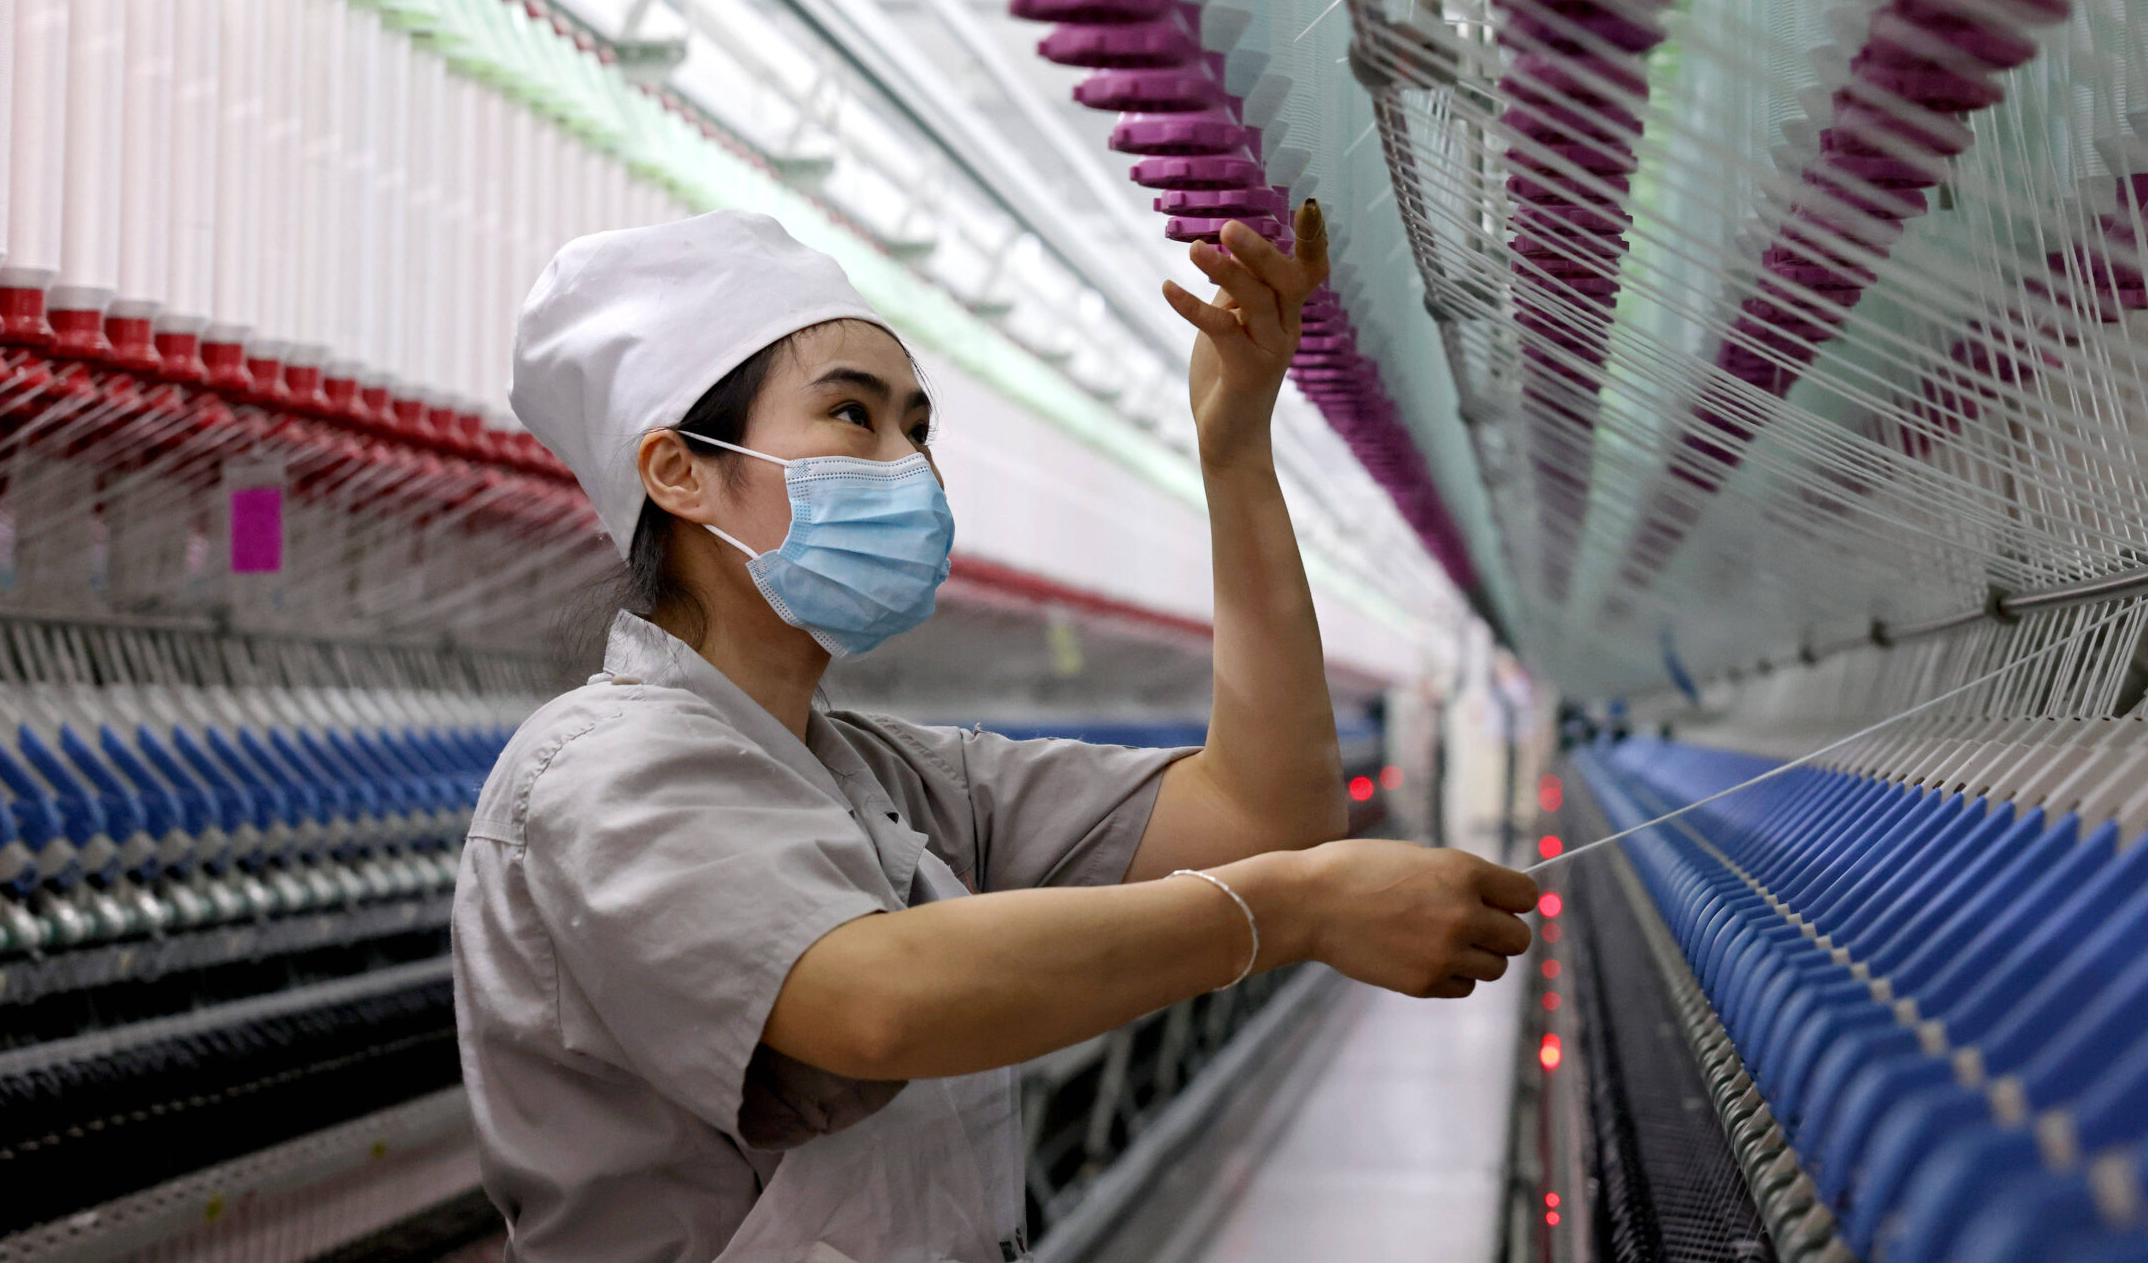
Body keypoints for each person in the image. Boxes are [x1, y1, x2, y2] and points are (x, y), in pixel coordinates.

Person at [458, 204, 1537, 1263]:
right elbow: (875, 1000)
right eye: (853, 417)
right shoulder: (596, 771)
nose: (911, 470)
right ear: (678, 470)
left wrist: (1236, 449)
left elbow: (1266, 817)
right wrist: (1292, 911)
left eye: (919, 430)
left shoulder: (886, 780)